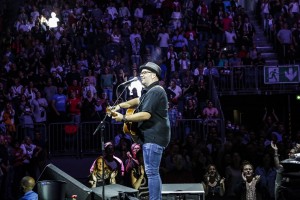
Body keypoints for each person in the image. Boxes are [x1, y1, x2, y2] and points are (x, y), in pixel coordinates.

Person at [112, 61, 171, 200]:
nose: (141, 75)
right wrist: (119, 105)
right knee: (152, 172)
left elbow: (146, 115)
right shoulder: (149, 92)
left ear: (153, 75)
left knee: (151, 172)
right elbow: (136, 101)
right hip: (151, 137)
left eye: (144, 73)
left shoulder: (156, 90)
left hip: (154, 136)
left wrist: (124, 117)